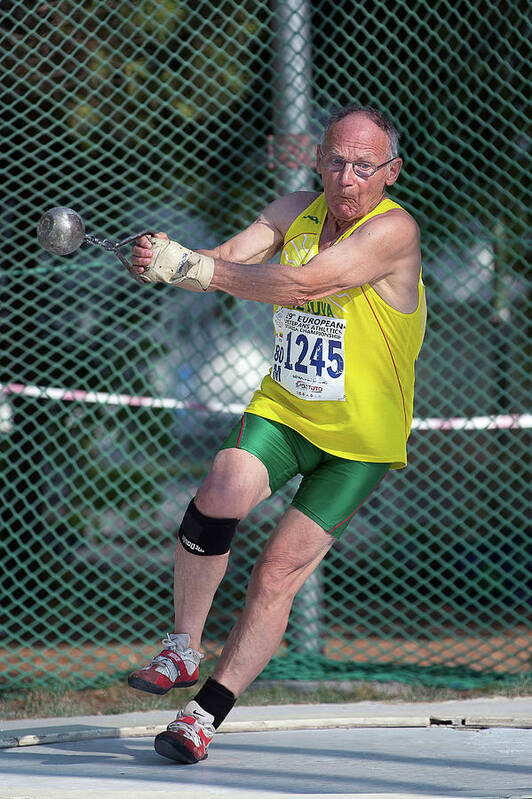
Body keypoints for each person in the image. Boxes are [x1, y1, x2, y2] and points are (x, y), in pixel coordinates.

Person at [127, 104, 426, 765]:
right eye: (336, 160)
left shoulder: (394, 230)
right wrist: (167, 260)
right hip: (288, 409)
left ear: (391, 172)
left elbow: (305, 283)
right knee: (225, 479)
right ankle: (182, 644)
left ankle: (204, 714)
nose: (347, 176)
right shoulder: (295, 208)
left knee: (276, 573)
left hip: (359, 441)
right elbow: (227, 258)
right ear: (317, 161)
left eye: (363, 165)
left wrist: (195, 269)